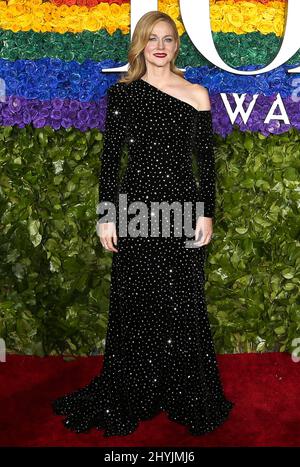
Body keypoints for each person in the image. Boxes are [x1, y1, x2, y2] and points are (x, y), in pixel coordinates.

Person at [52, 11, 234, 437]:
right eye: (152, 38)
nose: (160, 46)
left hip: (182, 211)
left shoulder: (196, 95)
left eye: (168, 39)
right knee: (136, 301)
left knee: (181, 300)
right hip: (135, 211)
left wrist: (206, 213)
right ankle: (135, 388)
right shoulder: (124, 95)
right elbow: (110, 162)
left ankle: (183, 390)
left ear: (176, 46)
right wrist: (106, 216)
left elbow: (205, 165)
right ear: (140, 44)